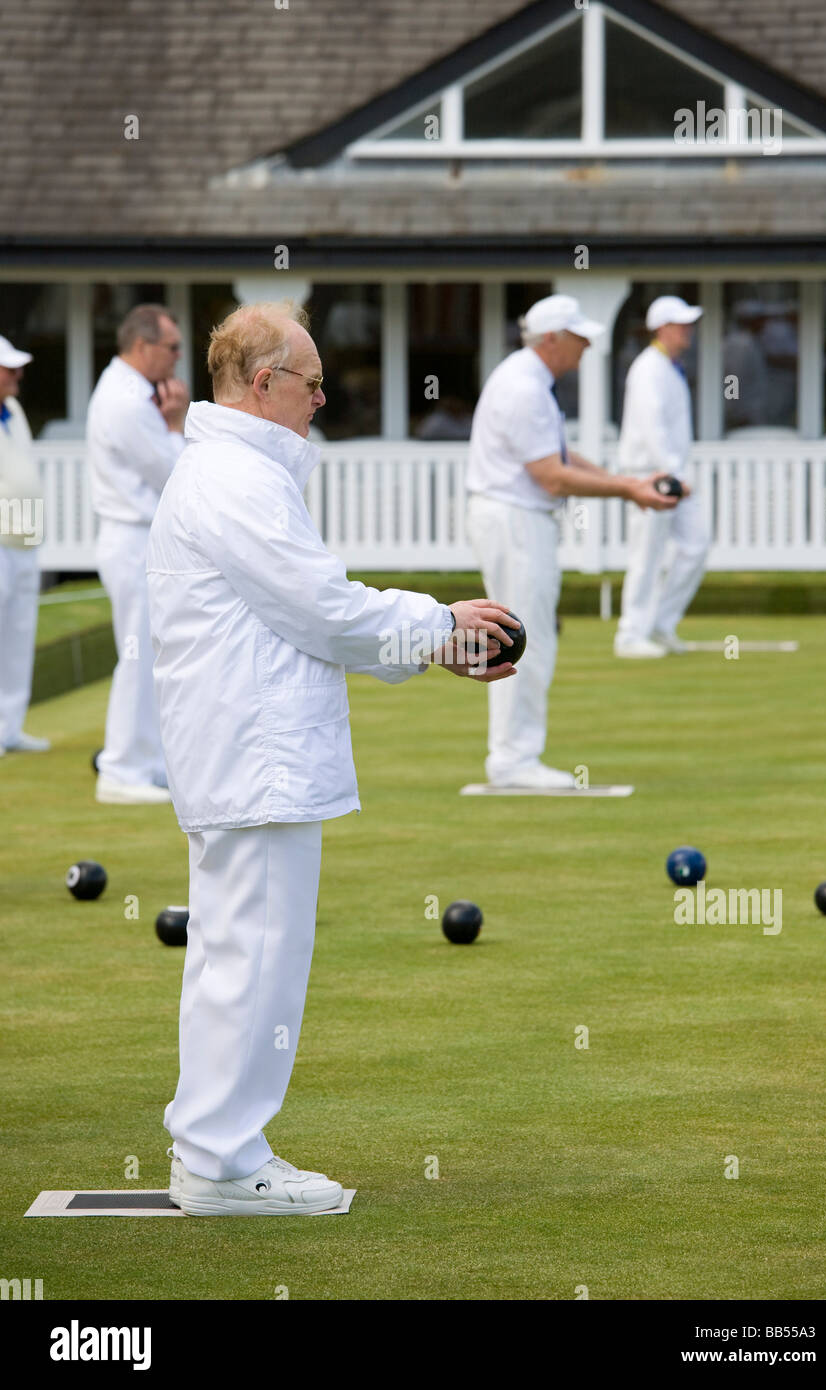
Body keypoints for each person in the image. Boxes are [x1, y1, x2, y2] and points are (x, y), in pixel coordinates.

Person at [147, 300, 517, 1215]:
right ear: (264, 383)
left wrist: (429, 642)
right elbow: (319, 607)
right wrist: (438, 629)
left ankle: (219, 1151)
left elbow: (313, 615)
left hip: (250, 751)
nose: (323, 400)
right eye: (313, 385)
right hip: (253, 755)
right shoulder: (235, 477)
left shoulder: (241, 470)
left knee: (246, 953)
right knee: (254, 956)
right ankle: (222, 1164)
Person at [465, 293, 678, 789]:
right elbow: (552, 477)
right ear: (553, 340)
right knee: (525, 637)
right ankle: (515, 760)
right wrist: (629, 488)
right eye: (579, 338)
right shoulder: (524, 387)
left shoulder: (530, 380)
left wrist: (630, 484)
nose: (585, 347)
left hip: (517, 520)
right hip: (515, 521)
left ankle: (514, 756)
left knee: (522, 634)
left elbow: (559, 454)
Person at [86, 303, 190, 803]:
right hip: (131, 539)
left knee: (150, 654)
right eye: (172, 347)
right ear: (142, 346)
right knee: (137, 654)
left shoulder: (127, 391)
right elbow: (175, 474)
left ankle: (145, 764)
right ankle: (121, 769)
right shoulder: (127, 401)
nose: (178, 357)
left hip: (139, 539)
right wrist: (176, 425)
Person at [615, 295, 709, 658]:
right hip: (650, 475)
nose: (688, 330)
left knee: (695, 545)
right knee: (646, 556)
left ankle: (660, 624)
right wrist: (672, 472)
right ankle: (629, 635)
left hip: (672, 475)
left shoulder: (669, 367)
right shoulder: (648, 369)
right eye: (681, 324)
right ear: (663, 328)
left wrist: (677, 473)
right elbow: (651, 426)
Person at [0, 335, 49, 754]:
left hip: (24, 539)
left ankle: (8, 729)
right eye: (8, 368)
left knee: (17, 637)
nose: (17, 375)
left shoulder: (12, 410)